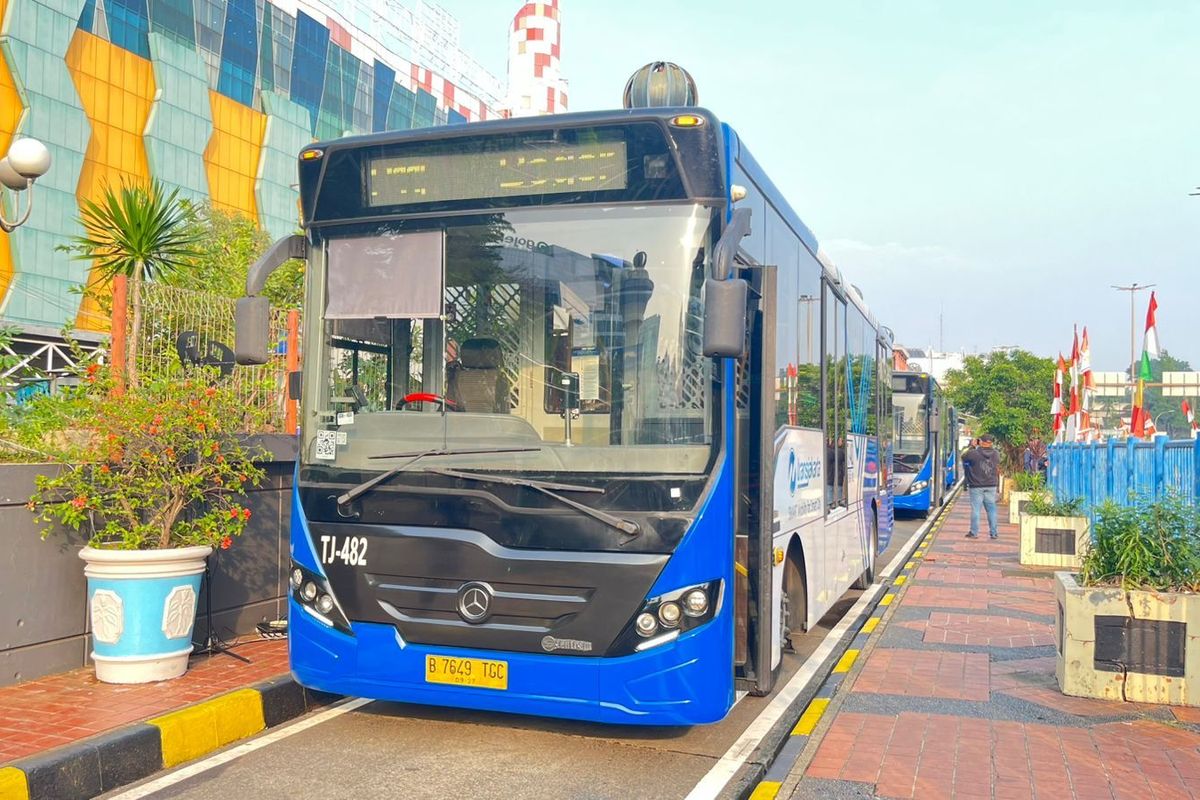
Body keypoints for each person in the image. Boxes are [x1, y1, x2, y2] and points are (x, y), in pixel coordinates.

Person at [962, 433, 1001, 539]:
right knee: (991, 509)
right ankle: (994, 533)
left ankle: (974, 532)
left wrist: (972, 446)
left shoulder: (973, 453)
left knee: (976, 509)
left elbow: (963, 456)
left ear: (981, 442)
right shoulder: (996, 454)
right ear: (991, 443)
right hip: (991, 485)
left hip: (976, 485)